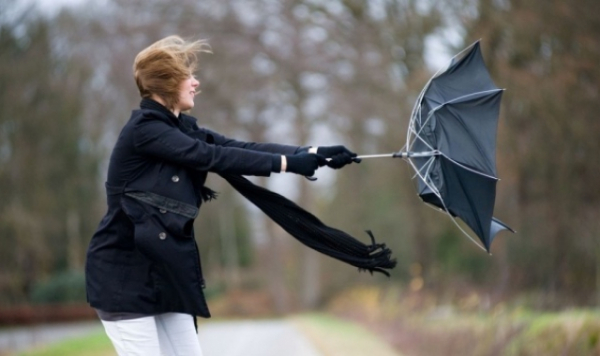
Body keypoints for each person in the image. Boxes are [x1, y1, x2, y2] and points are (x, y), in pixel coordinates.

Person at [84, 35, 358, 356]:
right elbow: (211, 157)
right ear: (168, 82)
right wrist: (287, 164)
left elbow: (235, 147)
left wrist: (311, 152)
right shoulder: (145, 130)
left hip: (164, 275)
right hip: (124, 279)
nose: (196, 82)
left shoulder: (178, 128)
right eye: (188, 76)